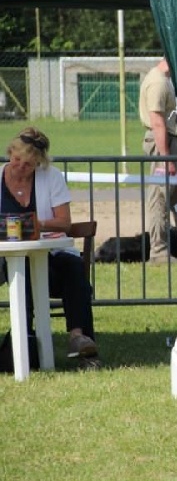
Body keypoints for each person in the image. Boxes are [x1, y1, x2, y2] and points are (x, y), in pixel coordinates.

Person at [0, 127, 100, 370]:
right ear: (9, 153)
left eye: (29, 164)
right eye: (16, 160)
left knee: (73, 267)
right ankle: (25, 340)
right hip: (6, 260)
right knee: (22, 269)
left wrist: (38, 224)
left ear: (39, 164)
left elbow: (64, 222)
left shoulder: (51, 177)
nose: (20, 167)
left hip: (48, 257)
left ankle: (79, 339)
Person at [139, 57, 177, 264]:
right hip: (163, 143)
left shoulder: (165, 80)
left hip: (171, 142)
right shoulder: (158, 83)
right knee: (160, 199)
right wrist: (166, 157)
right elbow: (157, 122)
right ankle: (159, 251)